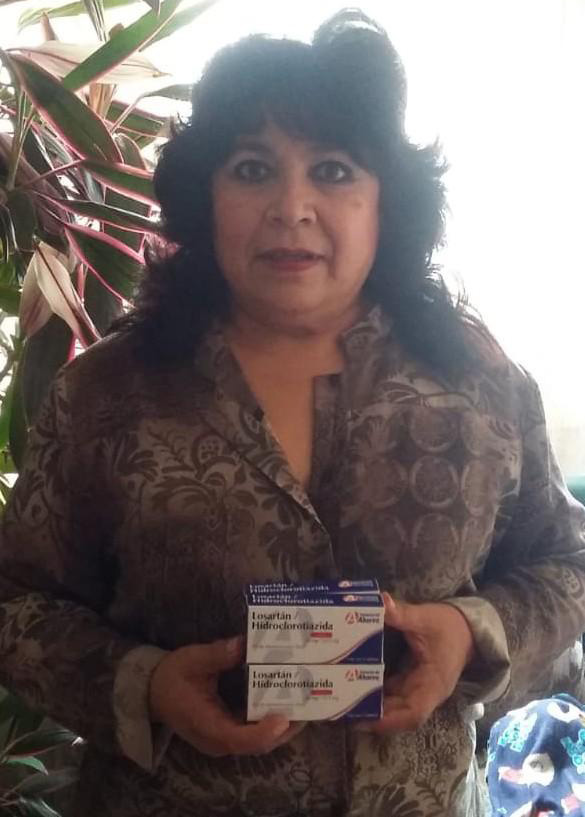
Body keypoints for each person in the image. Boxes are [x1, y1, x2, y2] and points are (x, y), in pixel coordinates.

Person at [1, 9, 584, 817]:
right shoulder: (104, 395)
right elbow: (16, 601)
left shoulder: (481, 385)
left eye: (334, 170)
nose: (291, 207)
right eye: (251, 169)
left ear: (387, 201)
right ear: (205, 195)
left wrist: (469, 632)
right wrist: (149, 683)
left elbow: (565, 563)